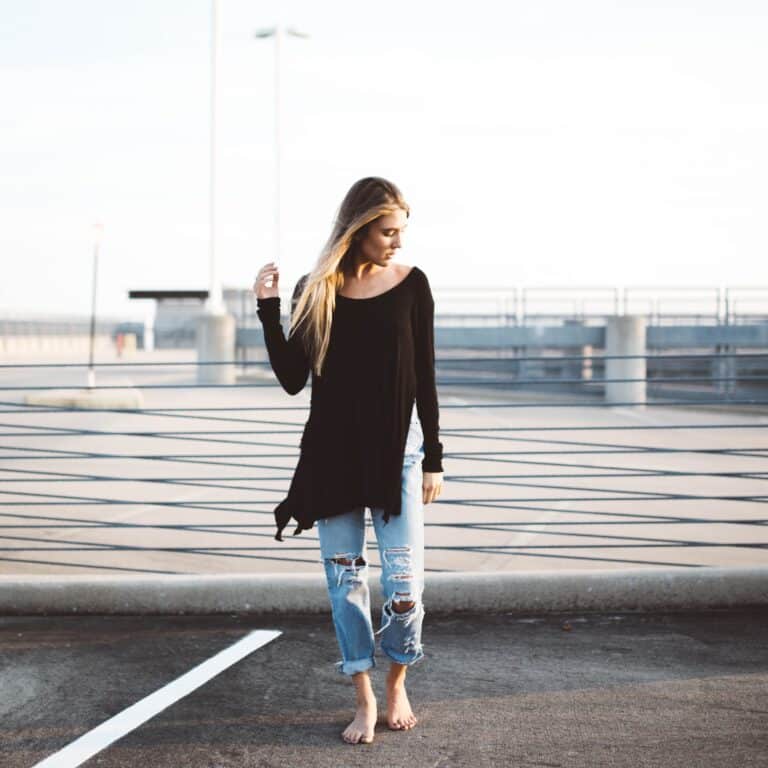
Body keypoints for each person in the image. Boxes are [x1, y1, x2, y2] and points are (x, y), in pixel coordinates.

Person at [252, 177, 444, 745]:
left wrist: (434, 455)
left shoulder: (413, 286)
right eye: (388, 232)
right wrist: (267, 311)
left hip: (398, 457)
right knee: (346, 585)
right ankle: (363, 697)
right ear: (359, 230)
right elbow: (292, 379)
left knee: (405, 587)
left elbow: (426, 378)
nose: (397, 243)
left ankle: (398, 682)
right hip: (332, 459)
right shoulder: (317, 290)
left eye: (401, 232)